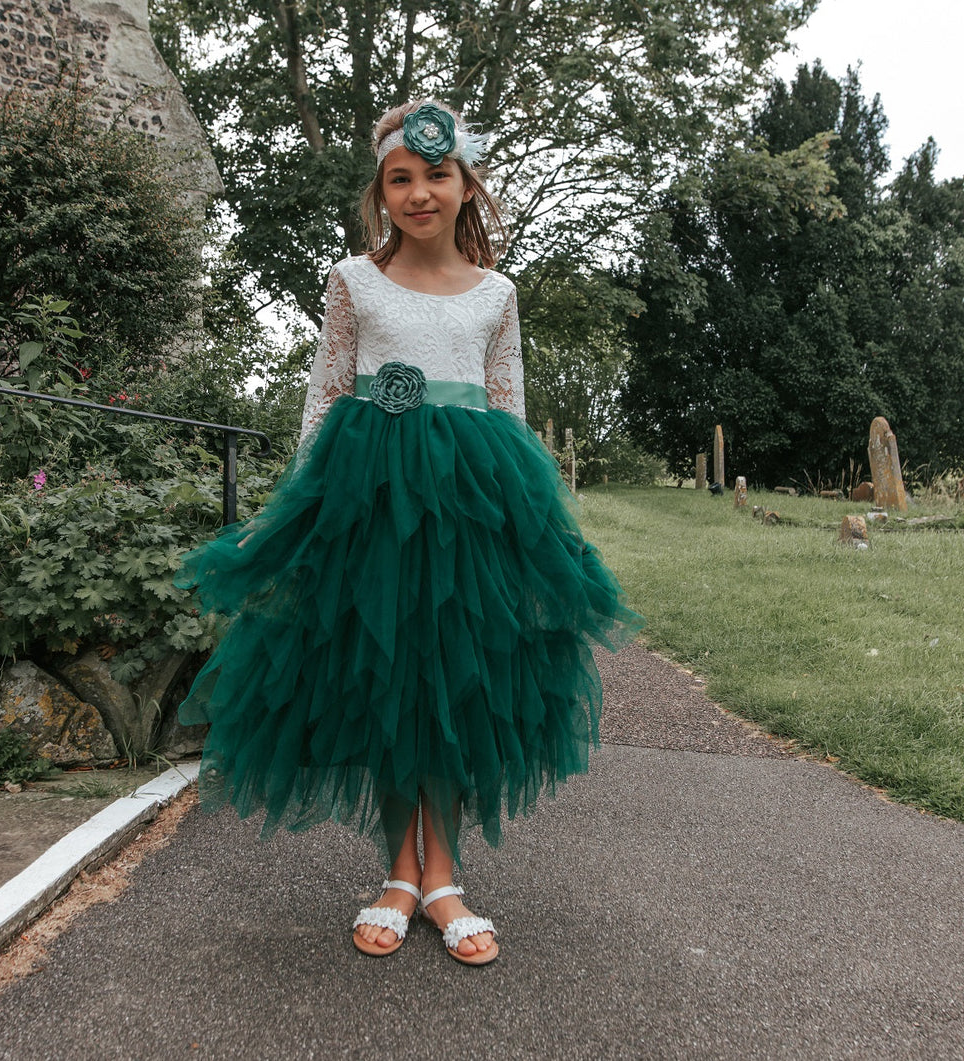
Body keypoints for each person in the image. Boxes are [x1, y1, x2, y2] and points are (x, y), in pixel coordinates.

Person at [176, 99, 644, 966]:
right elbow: (325, 392)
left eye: (437, 175)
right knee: (391, 682)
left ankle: (446, 876)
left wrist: (530, 519)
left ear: (468, 186)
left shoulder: (498, 293)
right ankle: (399, 871)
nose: (420, 192)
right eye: (402, 179)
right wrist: (302, 507)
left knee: (457, 685)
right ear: (381, 193)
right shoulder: (353, 280)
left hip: (471, 514)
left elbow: (508, 405)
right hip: (373, 509)